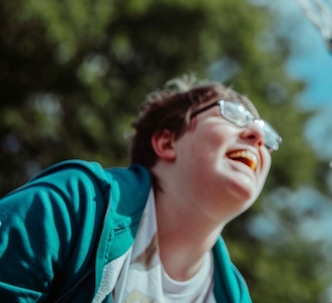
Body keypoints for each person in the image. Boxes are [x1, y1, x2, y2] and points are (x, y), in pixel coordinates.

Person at [0, 75, 281, 302]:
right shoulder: (76, 203)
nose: (256, 136)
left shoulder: (234, 295)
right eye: (233, 115)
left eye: (268, 136)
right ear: (167, 142)